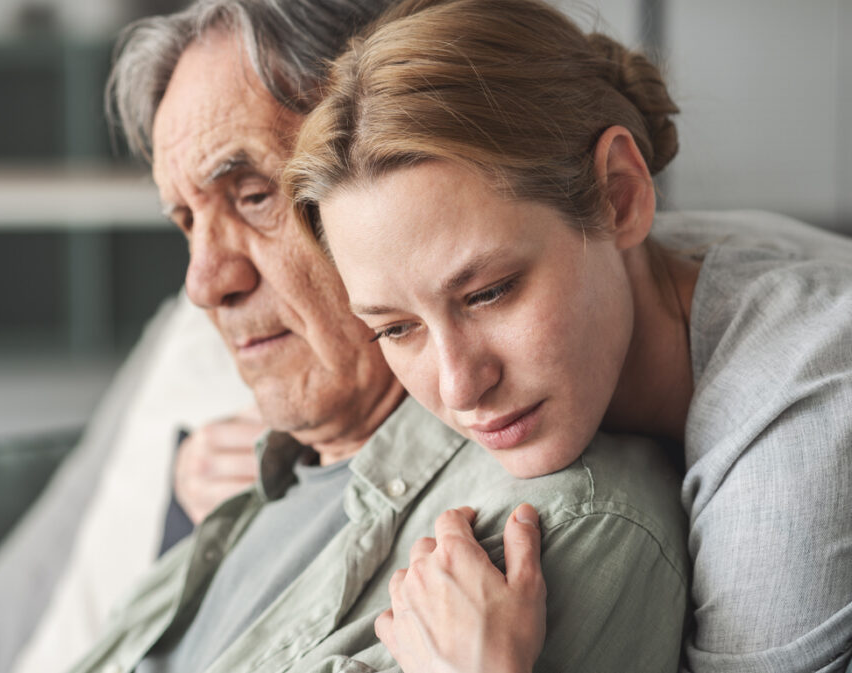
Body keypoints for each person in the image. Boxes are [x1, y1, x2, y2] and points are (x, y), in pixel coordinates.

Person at [58, 0, 691, 672]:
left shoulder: (537, 533)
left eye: (254, 195)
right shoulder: (244, 474)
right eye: (187, 220)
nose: (203, 282)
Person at [285, 0, 852, 671]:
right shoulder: (642, 260)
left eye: (489, 292)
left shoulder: (799, 438)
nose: (460, 386)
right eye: (396, 328)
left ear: (620, 195)